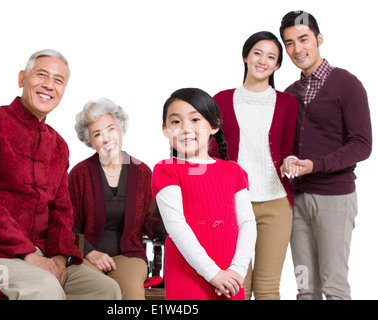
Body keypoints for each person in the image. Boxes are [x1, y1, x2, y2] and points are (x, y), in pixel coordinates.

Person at [0, 49, 121, 300]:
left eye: (58, 81)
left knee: (105, 289)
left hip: (44, 255)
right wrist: (29, 255)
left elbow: (62, 211)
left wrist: (60, 260)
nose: (49, 85)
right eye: (42, 75)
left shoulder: (59, 145)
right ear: (22, 79)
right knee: (45, 287)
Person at [279, 11, 372, 300]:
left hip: (334, 199)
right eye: (289, 43)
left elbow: (362, 144)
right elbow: (290, 144)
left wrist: (316, 166)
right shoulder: (290, 92)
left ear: (319, 39)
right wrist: (287, 160)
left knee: (333, 286)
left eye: (303, 39)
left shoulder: (347, 84)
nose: (297, 49)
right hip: (297, 203)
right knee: (305, 287)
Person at [210, 31, 298, 300]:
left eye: (271, 57)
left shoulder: (287, 102)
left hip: (276, 203)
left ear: (277, 65)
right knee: (236, 286)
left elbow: (288, 150)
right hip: (233, 203)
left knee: (268, 288)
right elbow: (213, 154)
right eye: (258, 53)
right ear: (246, 56)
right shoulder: (222, 99)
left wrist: (290, 162)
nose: (263, 60)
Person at [151, 88, 257, 300]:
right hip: (187, 273)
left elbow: (247, 223)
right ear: (165, 129)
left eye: (195, 119)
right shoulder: (166, 170)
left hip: (230, 276)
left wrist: (237, 271)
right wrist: (213, 274)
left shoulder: (234, 172)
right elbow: (176, 226)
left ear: (214, 126)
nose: (185, 129)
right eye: (175, 122)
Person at [68, 97, 166, 300]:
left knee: (130, 290)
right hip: (89, 255)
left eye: (111, 129)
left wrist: (177, 226)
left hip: (128, 255)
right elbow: (68, 222)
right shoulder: (79, 174)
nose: (106, 139)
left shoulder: (142, 172)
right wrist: (90, 252)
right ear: (89, 140)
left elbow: (150, 220)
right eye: (97, 134)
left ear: (121, 128)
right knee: (97, 289)